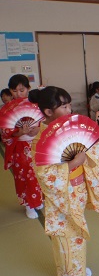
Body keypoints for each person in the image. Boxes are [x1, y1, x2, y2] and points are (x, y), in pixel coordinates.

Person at [29, 86, 99, 276]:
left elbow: (93, 150)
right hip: (61, 195)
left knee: (72, 235)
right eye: (64, 107)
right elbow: (44, 175)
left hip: (76, 190)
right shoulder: (39, 139)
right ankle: (73, 272)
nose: (69, 110)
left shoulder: (70, 129)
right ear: (48, 112)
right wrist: (73, 164)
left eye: (69, 106)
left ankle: (68, 269)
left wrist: (89, 151)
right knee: (67, 236)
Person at [1, 74, 43, 219]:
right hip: (19, 147)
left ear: (28, 88)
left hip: (36, 144)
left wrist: (38, 129)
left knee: (38, 174)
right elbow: (4, 133)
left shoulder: (37, 105)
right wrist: (18, 132)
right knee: (23, 176)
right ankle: (28, 204)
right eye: (14, 91)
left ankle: (37, 200)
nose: (18, 94)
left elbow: (45, 123)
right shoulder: (7, 109)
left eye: (21, 90)